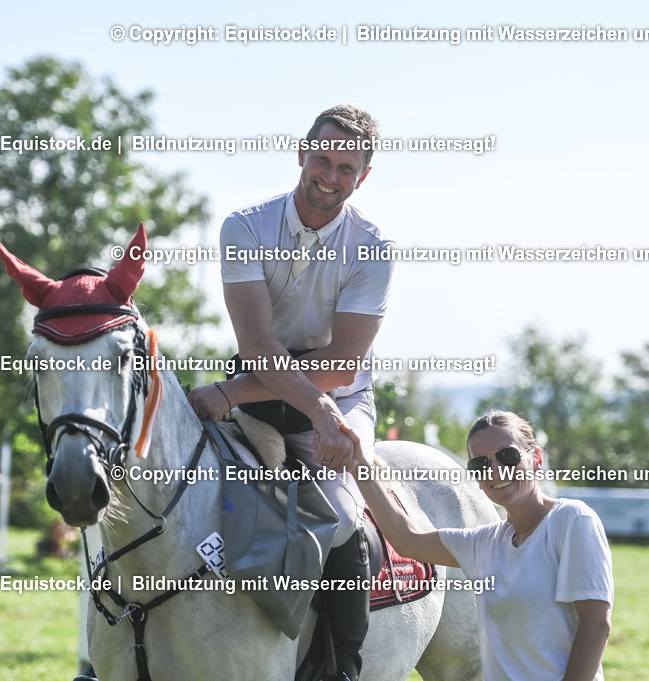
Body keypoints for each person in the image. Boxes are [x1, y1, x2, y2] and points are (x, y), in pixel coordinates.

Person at [188, 105, 393, 681]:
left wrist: (234, 393)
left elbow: (342, 364)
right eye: (321, 159)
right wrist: (245, 394)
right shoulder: (244, 226)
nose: (329, 176)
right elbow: (256, 342)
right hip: (260, 388)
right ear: (301, 154)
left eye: (346, 168)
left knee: (344, 519)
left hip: (340, 396)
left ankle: (341, 668)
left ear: (363, 177)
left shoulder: (374, 247)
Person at [345, 410, 614, 681]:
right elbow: (407, 539)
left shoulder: (571, 520)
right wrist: (358, 464)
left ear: (536, 459)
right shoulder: (484, 542)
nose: (495, 470)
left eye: (507, 455)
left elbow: (596, 625)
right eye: (480, 464)